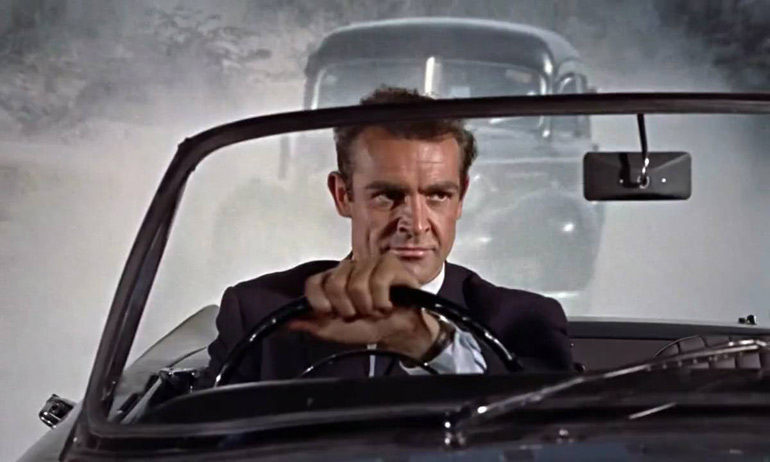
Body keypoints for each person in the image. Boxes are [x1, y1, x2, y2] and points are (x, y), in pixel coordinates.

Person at [206, 87, 573, 383]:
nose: (415, 223)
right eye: (387, 196)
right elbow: (201, 438)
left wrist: (428, 342)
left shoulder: (524, 321)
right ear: (343, 195)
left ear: (461, 198)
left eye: (437, 195)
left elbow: (542, 430)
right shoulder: (258, 313)